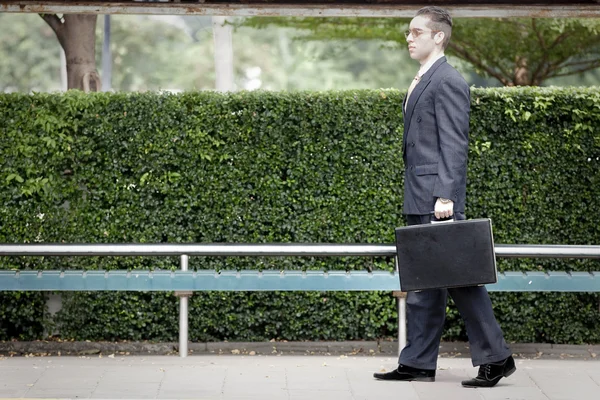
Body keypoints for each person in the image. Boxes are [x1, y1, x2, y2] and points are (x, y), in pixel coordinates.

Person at [373, 6, 515, 388]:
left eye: (417, 32)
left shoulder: (447, 80)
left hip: (436, 199)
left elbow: (454, 143)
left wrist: (445, 197)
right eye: (408, 32)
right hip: (420, 194)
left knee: (463, 282)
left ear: (438, 36)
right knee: (423, 284)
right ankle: (418, 362)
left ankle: (497, 357)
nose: (409, 37)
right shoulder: (425, 77)